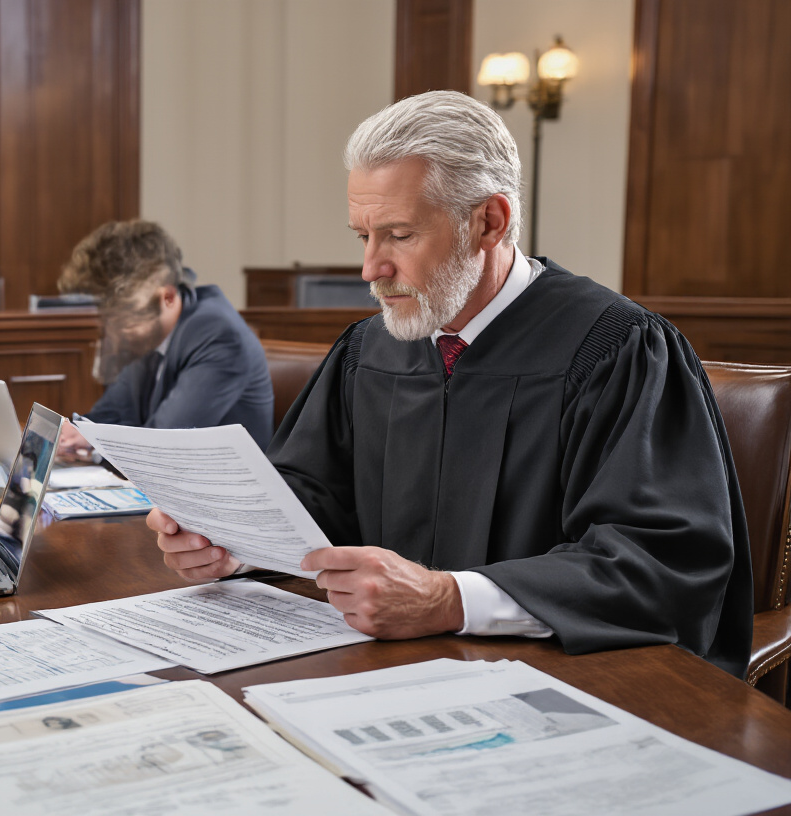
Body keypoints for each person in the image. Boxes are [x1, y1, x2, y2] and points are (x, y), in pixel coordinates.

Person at [148, 91, 752, 678]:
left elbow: (659, 562)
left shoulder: (615, 348)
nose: (371, 268)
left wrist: (449, 599)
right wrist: (230, 542)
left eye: (400, 235)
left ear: (489, 221)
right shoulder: (370, 349)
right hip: (381, 667)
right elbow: (318, 497)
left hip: (558, 683)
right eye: (364, 235)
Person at [55, 220, 273, 459]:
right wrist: (77, 431)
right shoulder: (150, 332)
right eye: (108, 318)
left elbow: (164, 443)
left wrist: (94, 446)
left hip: (225, 490)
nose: (115, 333)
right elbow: (114, 412)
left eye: (124, 319)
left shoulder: (219, 335)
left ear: (168, 297)